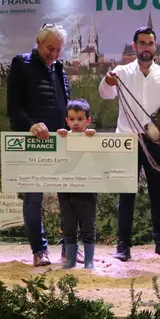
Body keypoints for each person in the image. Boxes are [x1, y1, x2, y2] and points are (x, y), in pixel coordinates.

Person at [99, 26, 160, 262]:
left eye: (150, 43)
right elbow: (105, 94)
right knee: (126, 196)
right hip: (127, 141)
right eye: (142, 43)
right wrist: (107, 80)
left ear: (155, 47)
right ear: (134, 47)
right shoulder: (121, 72)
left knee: (158, 195)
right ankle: (123, 246)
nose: (146, 47)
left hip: (156, 142)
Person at [7, 23, 81, 267]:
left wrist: (75, 127)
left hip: (61, 141)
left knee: (68, 197)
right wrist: (31, 125)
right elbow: (13, 109)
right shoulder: (21, 63)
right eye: (50, 48)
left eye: (59, 49)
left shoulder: (60, 68)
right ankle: (39, 251)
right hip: (33, 143)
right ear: (38, 43)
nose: (54, 54)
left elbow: (66, 105)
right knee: (33, 199)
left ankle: (68, 247)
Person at [56, 99, 98, 269]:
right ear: (67, 120)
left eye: (80, 119)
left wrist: (94, 137)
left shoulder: (93, 136)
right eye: (72, 119)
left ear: (88, 121)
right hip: (65, 190)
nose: (76, 123)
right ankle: (71, 261)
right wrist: (59, 137)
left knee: (88, 226)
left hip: (87, 189)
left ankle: (89, 261)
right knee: (69, 227)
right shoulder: (62, 136)